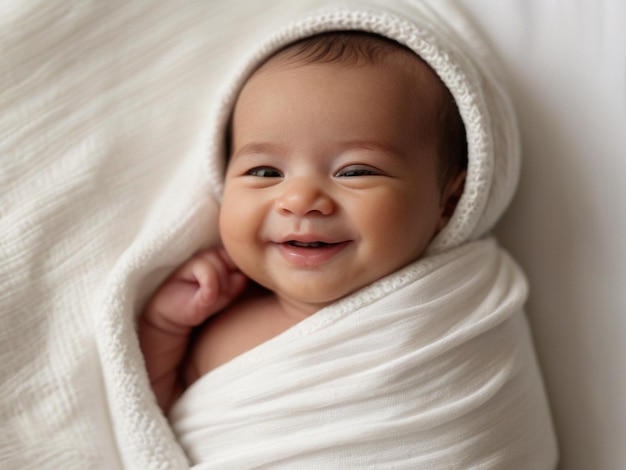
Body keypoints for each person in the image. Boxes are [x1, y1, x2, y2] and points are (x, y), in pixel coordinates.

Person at [138, 31, 468, 414]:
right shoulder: (218, 332)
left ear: (448, 202)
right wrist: (164, 327)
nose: (299, 200)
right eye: (264, 171)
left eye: (355, 171)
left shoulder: (460, 310)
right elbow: (152, 421)